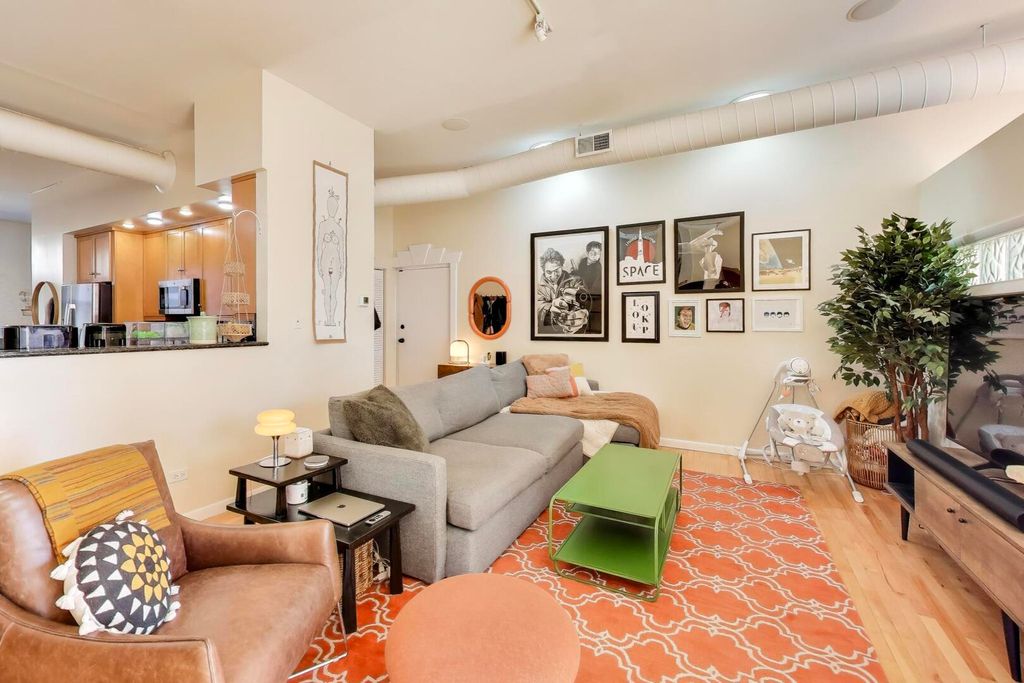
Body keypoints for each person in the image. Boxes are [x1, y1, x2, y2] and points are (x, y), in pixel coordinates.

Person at [536, 248, 588, 334]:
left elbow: (584, 301)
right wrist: (551, 309)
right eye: (549, 272)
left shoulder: (576, 281)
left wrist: (576, 316)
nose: (553, 276)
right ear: (543, 270)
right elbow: (537, 308)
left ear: (562, 266)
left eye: (556, 270)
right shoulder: (538, 287)